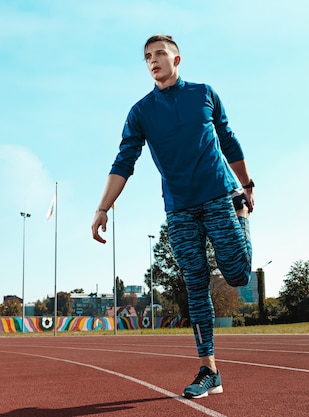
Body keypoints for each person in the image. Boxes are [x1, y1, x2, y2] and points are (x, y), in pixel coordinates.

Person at [91, 34, 254, 399]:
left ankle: (240, 214)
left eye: (160, 54)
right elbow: (123, 163)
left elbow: (228, 139)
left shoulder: (204, 94)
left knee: (238, 274)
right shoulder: (141, 112)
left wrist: (246, 185)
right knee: (194, 285)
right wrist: (102, 208)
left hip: (218, 196)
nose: (153, 61)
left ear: (176, 60)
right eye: (147, 57)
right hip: (179, 209)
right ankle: (209, 369)